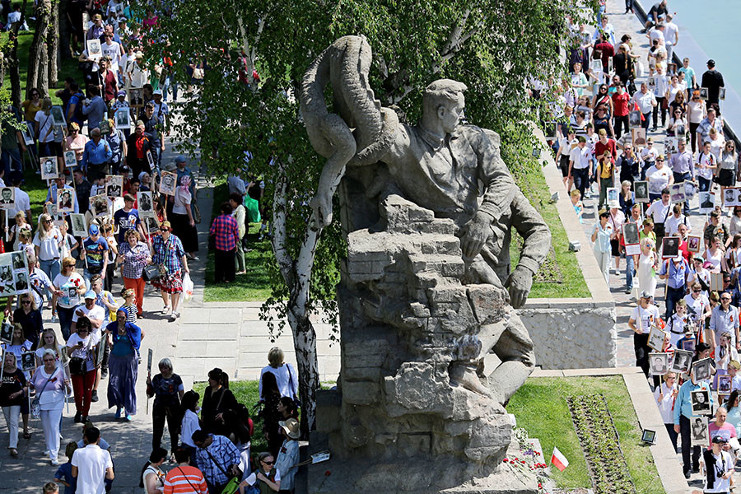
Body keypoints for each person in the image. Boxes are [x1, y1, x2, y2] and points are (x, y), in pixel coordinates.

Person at [674, 365, 714, 479]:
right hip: (686, 418)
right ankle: (686, 467)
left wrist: (707, 404)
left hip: (699, 418)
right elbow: (678, 405)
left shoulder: (705, 386)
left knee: (698, 445)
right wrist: (677, 422)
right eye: (694, 374)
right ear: (690, 375)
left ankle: (695, 461)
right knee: (685, 444)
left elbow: (711, 402)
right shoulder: (684, 387)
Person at [32, 349, 70, 465]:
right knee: (46, 427)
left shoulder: (60, 371)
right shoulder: (38, 370)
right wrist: (29, 386)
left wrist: (68, 385)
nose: (48, 362)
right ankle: (49, 448)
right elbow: (32, 385)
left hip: (56, 402)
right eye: (46, 360)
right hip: (42, 403)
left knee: (54, 427)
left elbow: (68, 391)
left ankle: (54, 455)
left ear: (55, 360)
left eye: (51, 360)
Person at [105, 308, 142, 421]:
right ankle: (118, 406)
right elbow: (106, 332)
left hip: (129, 359)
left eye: (122, 317)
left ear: (126, 317)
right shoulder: (114, 325)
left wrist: (136, 344)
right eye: (118, 317)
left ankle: (128, 409)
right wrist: (109, 342)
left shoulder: (131, 327)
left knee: (128, 384)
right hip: (116, 358)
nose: (120, 319)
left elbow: (141, 332)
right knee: (114, 383)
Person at [151, 221, 190, 321]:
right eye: (162, 229)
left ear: (169, 230)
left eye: (165, 230)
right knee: (163, 288)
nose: (163, 231)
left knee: (175, 289)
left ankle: (174, 310)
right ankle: (166, 305)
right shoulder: (156, 240)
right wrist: (150, 259)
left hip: (174, 269)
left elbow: (182, 254)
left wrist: (186, 267)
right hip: (161, 269)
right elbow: (153, 252)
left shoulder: (175, 239)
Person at [146, 358, 184, 455]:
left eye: (165, 368)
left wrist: (183, 408)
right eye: (161, 368)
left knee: (174, 430)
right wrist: (149, 384)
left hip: (173, 407)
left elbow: (181, 394)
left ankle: (174, 452)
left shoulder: (176, 379)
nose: (163, 370)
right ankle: (156, 452)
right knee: (157, 431)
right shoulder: (157, 378)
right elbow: (150, 394)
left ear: (170, 368)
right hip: (159, 406)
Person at [66, 317, 99, 424]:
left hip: (90, 367)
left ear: (88, 329)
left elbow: (100, 350)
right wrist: (75, 347)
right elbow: (67, 353)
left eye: (85, 330)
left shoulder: (93, 337)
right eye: (80, 330)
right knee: (78, 392)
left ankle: (85, 414)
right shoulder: (73, 337)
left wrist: (97, 359)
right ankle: (79, 410)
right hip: (76, 367)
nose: (83, 332)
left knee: (88, 391)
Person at [116, 229, 150, 317]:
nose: (131, 239)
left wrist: (146, 260)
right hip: (129, 275)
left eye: (133, 237)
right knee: (131, 295)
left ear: (137, 237)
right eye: (129, 237)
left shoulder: (143, 246)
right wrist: (121, 259)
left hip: (141, 274)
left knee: (140, 295)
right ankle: (132, 313)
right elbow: (118, 260)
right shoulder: (123, 246)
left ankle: (139, 311)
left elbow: (149, 258)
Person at [52, 257, 87, 341]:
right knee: (65, 329)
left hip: (74, 305)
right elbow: (54, 293)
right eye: (71, 265)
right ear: (65, 266)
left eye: (74, 265)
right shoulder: (59, 277)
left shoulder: (76, 276)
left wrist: (79, 291)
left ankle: (72, 343)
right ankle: (67, 342)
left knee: (74, 327)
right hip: (62, 306)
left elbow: (84, 288)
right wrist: (54, 307)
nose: (73, 267)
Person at [71, 426, 114, 493]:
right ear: (99, 438)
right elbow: (111, 476)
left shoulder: (77, 452)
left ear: (86, 438)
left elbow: (73, 474)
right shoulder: (105, 454)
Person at [0, 352, 26, 457]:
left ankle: (13, 446)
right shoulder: (1, 372)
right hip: (4, 401)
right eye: (6, 360)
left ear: (14, 361)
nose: (8, 362)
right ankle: (14, 438)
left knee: (14, 421)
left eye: (10, 360)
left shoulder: (18, 372)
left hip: (16, 401)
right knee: (9, 422)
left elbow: (25, 386)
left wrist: (18, 393)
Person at [629, 290, 660, 377]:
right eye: (645, 298)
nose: (647, 300)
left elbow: (658, 323)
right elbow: (630, 323)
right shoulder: (636, 310)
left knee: (648, 357)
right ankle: (640, 376)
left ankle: (646, 375)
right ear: (641, 299)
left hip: (650, 335)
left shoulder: (654, 309)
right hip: (640, 336)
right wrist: (636, 330)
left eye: (648, 298)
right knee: (640, 357)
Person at [201, 368, 238, 438]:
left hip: (218, 426)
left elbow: (235, 409)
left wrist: (223, 414)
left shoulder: (226, 393)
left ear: (218, 380)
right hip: (207, 423)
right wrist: (203, 416)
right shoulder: (208, 389)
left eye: (211, 379)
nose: (209, 380)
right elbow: (204, 404)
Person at [209, 202, 239, 283]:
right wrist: (236, 243)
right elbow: (236, 233)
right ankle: (229, 278)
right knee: (230, 263)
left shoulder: (217, 219)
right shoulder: (233, 220)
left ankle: (219, 278)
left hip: (219, 244)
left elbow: (212, 231)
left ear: (222, 211)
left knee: (219, 263)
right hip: (230, 244)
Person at [172, 175, 198, 260]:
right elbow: (188, 207)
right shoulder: (187, 193)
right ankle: (191, 252)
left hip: (175, 213)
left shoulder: (177, 188)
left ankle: (180, 253)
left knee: (178, 234)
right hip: (183, 215)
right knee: (189, 234)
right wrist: (191, 219)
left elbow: (171, 199)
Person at [34, 213, 64, 285]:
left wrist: (60, 245)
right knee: (46, 282)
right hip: (44, 261)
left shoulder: (56, 231)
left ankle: (55, 296)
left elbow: (60, 242)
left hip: (55, 260)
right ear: (43, 223)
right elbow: (37, 248)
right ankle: (49, 296)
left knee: (56, 281)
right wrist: (37, 259)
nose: (50, 223)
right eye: (47, 221)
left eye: (51, 220)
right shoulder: (39, 234)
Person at [274, 418, 300, 493]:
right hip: (280, 482)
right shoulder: (286, 442)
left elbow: (285, 467)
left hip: (285, 485)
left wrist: (274, 477)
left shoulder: (292, 448)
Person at [655, 371, 678, 452]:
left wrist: (677, 397)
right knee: (663, 442)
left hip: (673, 420)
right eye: (670, 378)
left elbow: (682, 405)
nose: (672, 380)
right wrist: (659, 399)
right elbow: (654, 405)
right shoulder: (660, 388)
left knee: (673, 441)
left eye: (674, 378)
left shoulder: (677, 388)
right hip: (663, 420)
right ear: (665, 379)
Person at [81, 224, 109, 289]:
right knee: (88, 291)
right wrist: (83, 253)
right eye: (92, 236)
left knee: (99, 291)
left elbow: (106, 257)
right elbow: (82, 258)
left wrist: (104, 270)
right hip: (88, 269)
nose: (94, 237)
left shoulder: (102, 241)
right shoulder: (85, 242)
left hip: (99, 268)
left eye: (96, 236)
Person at [591, 209, 612, 284]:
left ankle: (606, 286)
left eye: (608, 217)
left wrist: (616, 233)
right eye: (606, 217)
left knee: (605, 269)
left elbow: (610, 237)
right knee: (599, 269)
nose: (608, 218)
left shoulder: (609, 226)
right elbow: (593, 240)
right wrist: (596, 233)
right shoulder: (596, 226)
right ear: (602, 217)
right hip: (598, 250)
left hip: (607, 250)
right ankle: (599, 284)